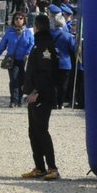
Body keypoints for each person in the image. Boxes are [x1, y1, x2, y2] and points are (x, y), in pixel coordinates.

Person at [20, 13, 60, 180]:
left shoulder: (45, 46)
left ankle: (52, 168)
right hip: (33, 95)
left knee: (42, 131)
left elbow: (46, 72)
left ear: (37, 27)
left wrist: (36, 91)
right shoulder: (38, 44)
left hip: (42, 96)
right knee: (33, 131)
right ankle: (39, 167)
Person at [0, 12, 34, 107]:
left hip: (24, 60)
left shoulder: (28, 32)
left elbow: (32, 44)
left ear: (24, 20)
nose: (19, 20)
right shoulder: (9, 32)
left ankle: (19, 99)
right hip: (12, 60)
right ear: (13, 21)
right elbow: (2, 45)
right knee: (14, 79)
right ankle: (13, 100)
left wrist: (28, 53)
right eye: (16, 18)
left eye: (21, 18)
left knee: (22, 80)